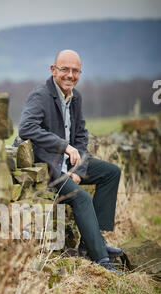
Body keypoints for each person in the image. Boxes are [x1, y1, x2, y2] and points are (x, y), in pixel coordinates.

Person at [18, 49, 123, 273]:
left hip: (70, 165)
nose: (70, 75)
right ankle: (101, 260)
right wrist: (63, 146)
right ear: (53, 70)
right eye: (65, 69)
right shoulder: (40, 96)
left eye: (75, 71)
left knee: (111, 172)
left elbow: (82, 136)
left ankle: (93, 240)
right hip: (50, 168)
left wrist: (79, 168)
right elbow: (26, 127)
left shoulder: (76, 97)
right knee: (82, 197)